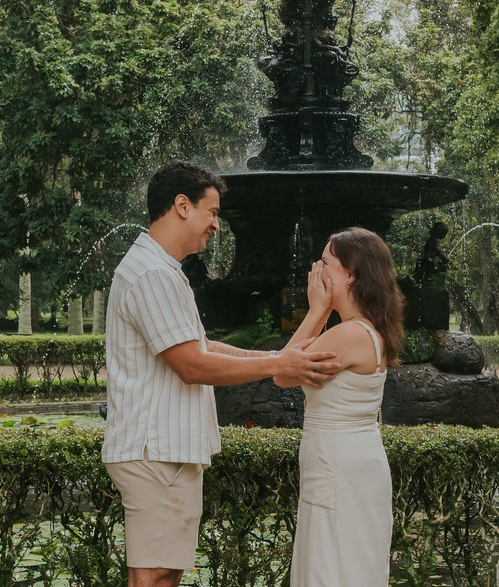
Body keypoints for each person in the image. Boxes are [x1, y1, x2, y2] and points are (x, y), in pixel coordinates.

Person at [103, 160, 342, 587]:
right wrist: (276, 364)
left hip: (163, 447)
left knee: (161, 572)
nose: (216, 225)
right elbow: (192, 366)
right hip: (156, 449)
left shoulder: (162, 269)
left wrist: (274, 357)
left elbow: (202, 347)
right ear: (181, 205)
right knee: (155, 575)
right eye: (211, 212)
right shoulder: (153, 274)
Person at [275, 226, 405, 587]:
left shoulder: (348, 334)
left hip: (338, 465)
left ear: (350, 275)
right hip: (355, 461)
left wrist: (317, 310)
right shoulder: (366, 330)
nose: (317, 269)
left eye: (326, 261)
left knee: (330, 566)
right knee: (350, 564)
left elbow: (283, 373)